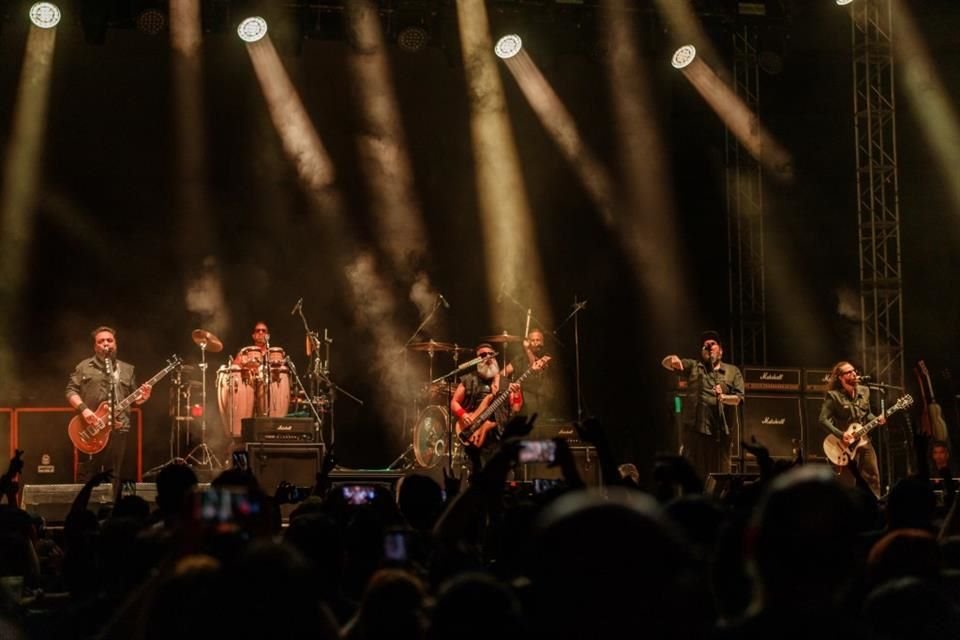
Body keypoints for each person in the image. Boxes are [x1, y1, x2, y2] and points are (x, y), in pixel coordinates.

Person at [66, 326, 151, 487]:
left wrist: (143, 398)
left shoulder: (126, 369)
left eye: (109, 340)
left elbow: (135, 399)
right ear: (95, 346)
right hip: (90, 429)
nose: (106, 344)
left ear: (115, 344)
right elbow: (70, 391)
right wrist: (84, 410)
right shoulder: (84, 367)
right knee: (89, 475)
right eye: (101, 341)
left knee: (115, 475)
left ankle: (113, 508)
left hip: (119, 428)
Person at [661, 330, 744, 481]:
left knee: (720, 479)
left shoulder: (732, 371)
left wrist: (723, 397)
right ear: (702, 351)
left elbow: (739, 398)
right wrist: (672, 359)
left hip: (719, 433)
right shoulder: (693, 366)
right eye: (706, 345)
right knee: (693, 477)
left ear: (721, 351)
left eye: (713, 344)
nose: (709, 346)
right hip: (695, 433)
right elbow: (666, 363)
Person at [450, 344, 522, 474]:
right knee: (476, 475)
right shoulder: (468, 380)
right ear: (476, 360)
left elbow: (516, 408)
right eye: (482, 355)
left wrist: (516, 394)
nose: (488, 357)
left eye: (491, 354)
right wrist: (464, 415)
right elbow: (454, 402)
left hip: (498, 435)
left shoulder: (506, 383)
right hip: (473, 434)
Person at [818, 360, 882, 497]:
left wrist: (877, 419)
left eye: (854, 371)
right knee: (847, 482)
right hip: (845, 446)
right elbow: (823, 420)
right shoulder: (833, 396)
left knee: (873, 478)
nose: (854, 374)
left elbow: (868, 414)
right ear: (840, 377)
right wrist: (841, 435)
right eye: (849, 372)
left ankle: (875, 509)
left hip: (864, 442)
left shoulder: (865, 391)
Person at [511, 328, 565, 422]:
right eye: (532, 340)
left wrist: (527, 349)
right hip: (524, 396)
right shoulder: (521, 358)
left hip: (541, 395)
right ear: (528, 342)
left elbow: (535, 367)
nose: (535, 343)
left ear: (542, 342)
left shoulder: (547, 355)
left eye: (538, 340)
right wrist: (497, 378)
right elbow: (505, 371)